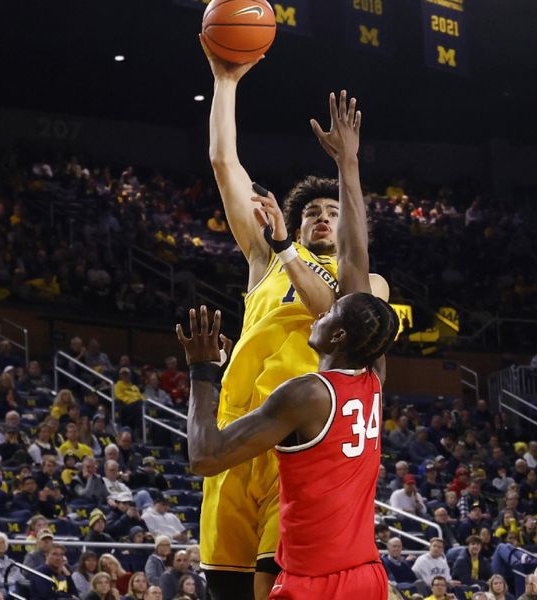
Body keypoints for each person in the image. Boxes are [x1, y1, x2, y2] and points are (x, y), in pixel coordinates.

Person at [199, 30, 388, 598]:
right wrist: (225, 81)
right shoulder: (266, 256)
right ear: (296, 220)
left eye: (335, 210)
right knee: (223, 586)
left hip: (298, 437)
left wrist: (291, 243)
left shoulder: (366, 285)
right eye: (313, 211)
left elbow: (332, 305)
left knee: (275, 584)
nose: (324, 217)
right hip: (237, 423)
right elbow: (222, 162)